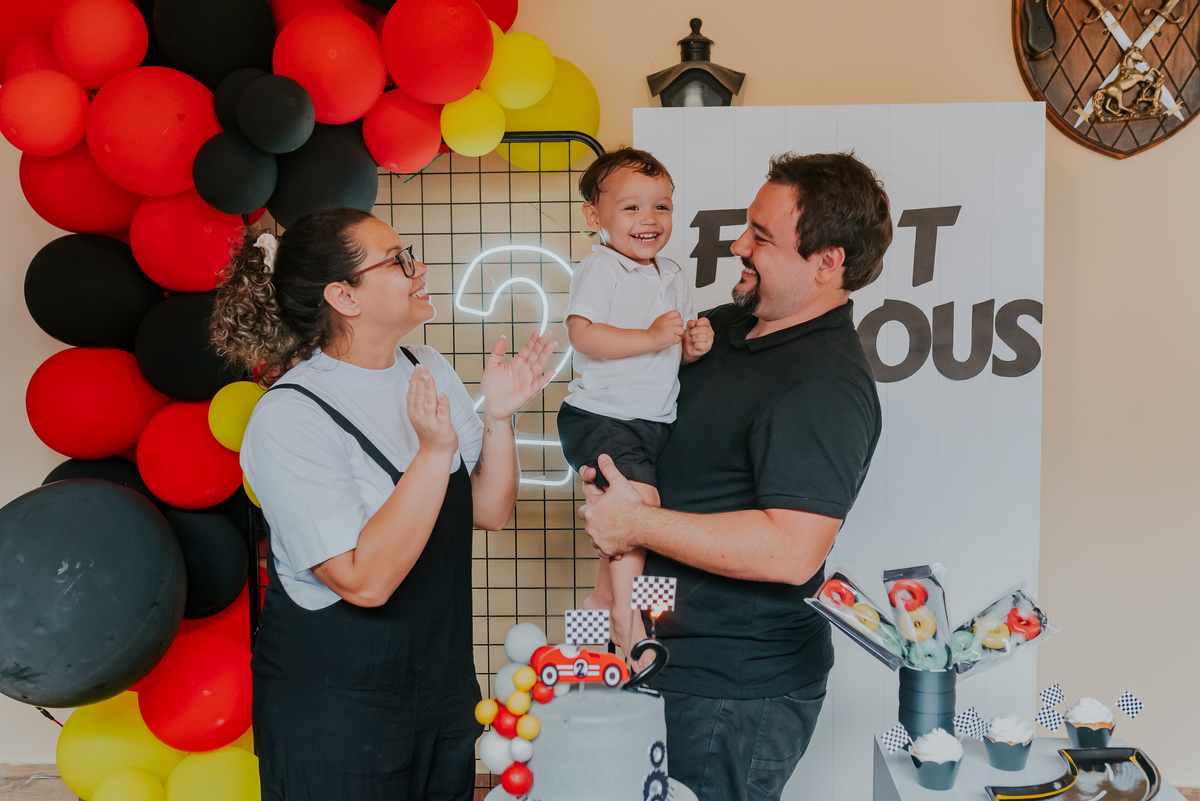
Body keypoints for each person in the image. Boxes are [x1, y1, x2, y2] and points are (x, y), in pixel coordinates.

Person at [578, 153, 893, 801]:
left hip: (732, 691)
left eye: (762, 236)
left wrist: (633, 520)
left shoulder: (826, 384)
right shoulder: (716, 330)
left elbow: (790, 550)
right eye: (747, 225)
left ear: (827, 262)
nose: (737, 243)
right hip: (650, 656)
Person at [211, 208, 554, 801]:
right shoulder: (290, 415)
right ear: (344, 295)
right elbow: (362, 580)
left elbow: (489, 509)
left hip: (438, 690)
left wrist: (500, 417)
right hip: (338, 708)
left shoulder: (428, 369)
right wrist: (433, 451)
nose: (418, 268)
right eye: (397, 260)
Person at [557, 148, 713, 654]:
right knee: (637, 511)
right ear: (594, 217)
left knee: (645, 526)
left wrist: (690, 347)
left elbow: (669, 354)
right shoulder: (602, 268)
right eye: (631, 208)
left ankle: (599, 611)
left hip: (651, 421)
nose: (649, 219)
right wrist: (649, 337)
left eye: (661, 207)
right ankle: (627, 627)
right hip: (605, 416)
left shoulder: (671, 272)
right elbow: (583, 335)